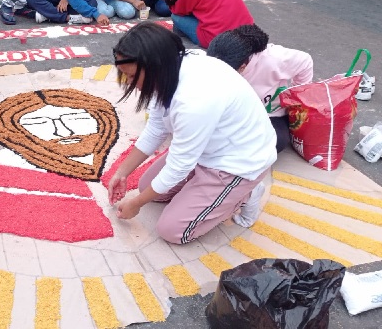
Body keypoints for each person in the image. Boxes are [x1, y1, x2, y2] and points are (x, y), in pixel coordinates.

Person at [108, 22, 277, 242]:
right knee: (146, 186)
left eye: (131, 76)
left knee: (173, 231)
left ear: (155, 67)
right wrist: (122, 172)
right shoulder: (173, 68)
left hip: (237, 164)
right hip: (205, 150)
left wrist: (136, 204)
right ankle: (206, 189)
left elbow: (178, 166)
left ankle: (245, 193)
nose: (130, 83)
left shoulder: (194, 100)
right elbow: (156, 129)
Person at [207, 24, 313, 153]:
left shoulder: (273, 59)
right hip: (234, 110)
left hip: (269, 114)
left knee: (275, 142)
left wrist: (295, 98)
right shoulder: (217, 60)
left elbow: (305, 61)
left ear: (242, 67)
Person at [163, 0, 253, 48]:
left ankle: (182, 34)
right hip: (246, 31)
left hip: (218, 38)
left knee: (176, 16)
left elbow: (179, 10)